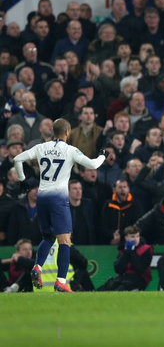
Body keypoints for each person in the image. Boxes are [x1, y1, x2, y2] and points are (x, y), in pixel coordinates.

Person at [12, 118, 107, 292]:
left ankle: (37, 267)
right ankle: (61, 281)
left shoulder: (41, 147)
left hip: (42, 198)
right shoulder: (70, 150)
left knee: (48, 237)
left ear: (53, 132)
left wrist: (22, 181)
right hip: (58, 199)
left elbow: (17, 159)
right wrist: (102, 155)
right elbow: (93, 164)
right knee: (65, 241)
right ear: (68, 132)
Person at [97, 225, 153, 291]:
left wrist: (131, 251)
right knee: (103, 289)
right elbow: (119, 269)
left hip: (139, 279)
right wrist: (126, 252)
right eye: (132, 237)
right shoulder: (122, 249)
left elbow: (140, 269)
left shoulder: (146, 249)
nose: (135, 239)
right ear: (126, 238)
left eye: (137, 236)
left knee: (121, 289)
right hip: (123, 278)